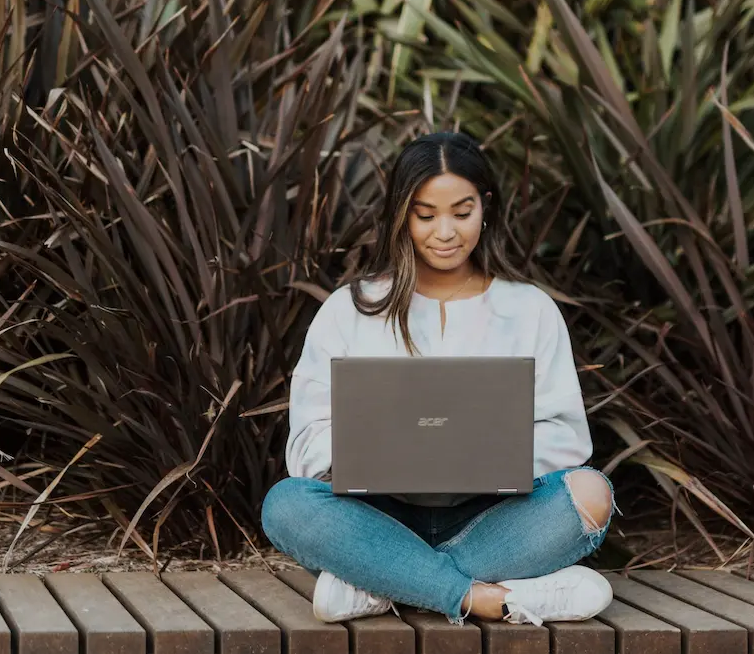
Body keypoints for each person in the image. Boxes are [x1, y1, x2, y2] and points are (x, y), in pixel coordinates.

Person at [261, 131, 616, 627]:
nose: (445, 232)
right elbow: (307, 441)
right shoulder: (351, 309)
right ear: (401, 214)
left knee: (591, 493)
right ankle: (482, 596)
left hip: (491, 519)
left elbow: (566, 437)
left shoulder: (529, 309)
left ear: (485, 206)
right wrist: (382, 457)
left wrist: (482, 456)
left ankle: (382, 584)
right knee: (286, 505)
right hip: (376, 516)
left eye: (461, 212)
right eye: (425, 215)